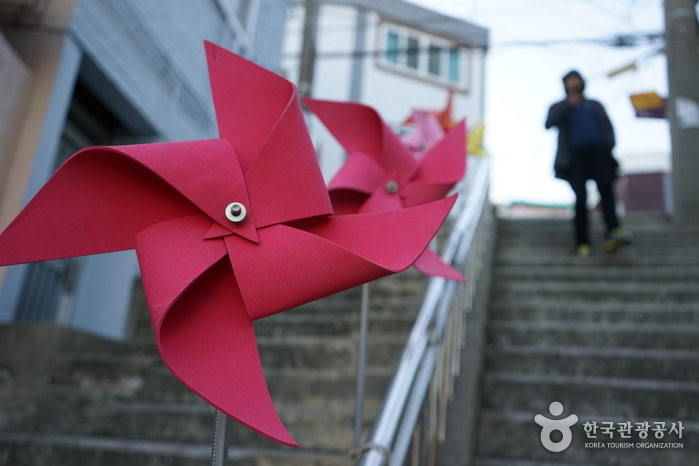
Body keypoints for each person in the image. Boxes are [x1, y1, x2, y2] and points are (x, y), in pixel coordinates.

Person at [545, 70, 631, 256]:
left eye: (576, 80)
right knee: (581, 198)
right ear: (564, 85)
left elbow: (608, 127)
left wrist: (609, 147)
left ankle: (613, 232)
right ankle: (582, 242)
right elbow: (548, 123)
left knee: (606, 191)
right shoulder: (559, 106)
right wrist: (568, 105)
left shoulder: (594, 104)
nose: (573, 84)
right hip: (574, 157)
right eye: (569, 81)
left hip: (599, 152)